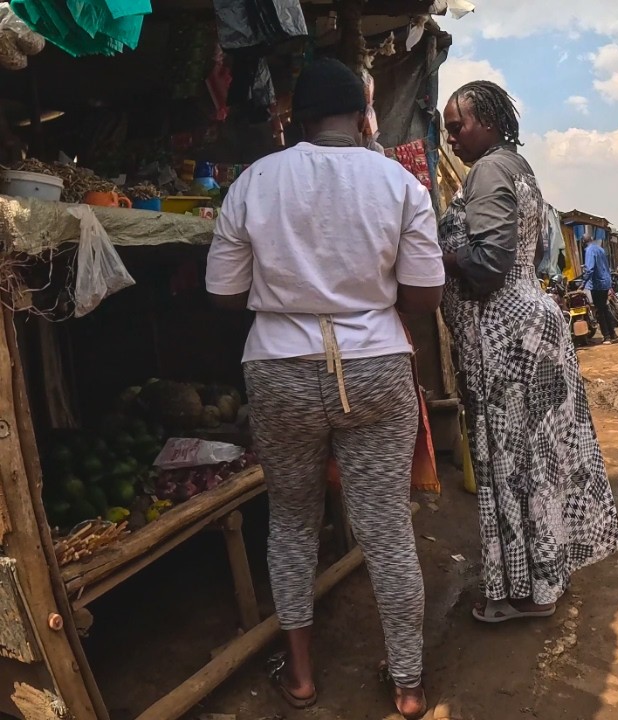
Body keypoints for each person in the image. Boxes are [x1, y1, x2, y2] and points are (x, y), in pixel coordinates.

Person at [205, 57, 443, 718]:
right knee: (387, 528)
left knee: (292, 522)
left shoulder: (254, 181)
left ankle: (303, 677)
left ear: (295, 120)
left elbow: (221, 293)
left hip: (278, 367)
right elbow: (425, 294)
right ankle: (409, 685)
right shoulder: (398, 182)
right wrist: (361, 292)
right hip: (375, 364)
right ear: (365, 118)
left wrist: (287, 289)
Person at [439, 80, 618, 627]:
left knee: (519, 461)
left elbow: (488, 262)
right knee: (539, 457)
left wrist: (438, 253)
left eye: (459, 126)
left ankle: (529, 592)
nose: (451, 138)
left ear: (490, 122)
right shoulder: (517, 168)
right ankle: (544, 578)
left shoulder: (490, 171)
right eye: (447, 129)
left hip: (509, 333)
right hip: (529, 322)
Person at [584, 235, 618, 344]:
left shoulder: (589, 251)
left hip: (597, 284)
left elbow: (589, 269)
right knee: (605, 308)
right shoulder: (600, 249)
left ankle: (607, 336)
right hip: (605, 282)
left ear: (583, 242)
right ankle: (613, 334)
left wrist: (583, 282)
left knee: (600, 310)